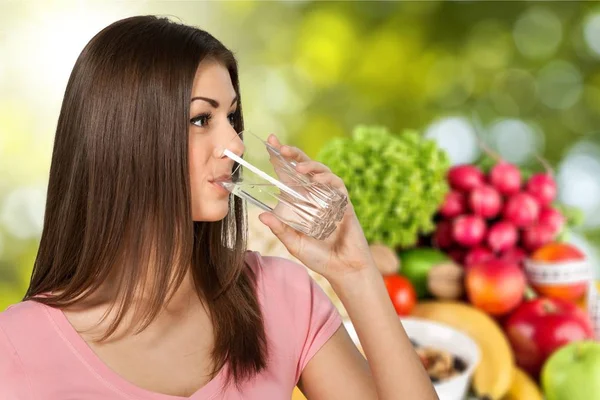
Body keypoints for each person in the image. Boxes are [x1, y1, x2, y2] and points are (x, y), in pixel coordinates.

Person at [0, 15, 438, 400]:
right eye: (200, 119)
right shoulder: (18, 344)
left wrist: (356, 273)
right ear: (127, 139)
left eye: (232, 117)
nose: (234, 144)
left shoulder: (278, 296)